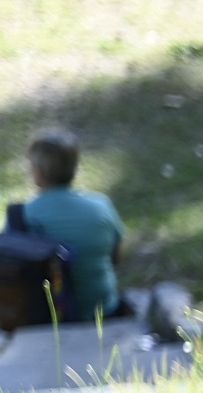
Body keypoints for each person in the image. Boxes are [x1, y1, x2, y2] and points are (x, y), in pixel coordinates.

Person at [18, 127, 126, 321]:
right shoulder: (101, 205)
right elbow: (115, 258)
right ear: (74, 168)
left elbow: (9, 265)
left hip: (49, 316)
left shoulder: (24, 214)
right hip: (103, 309)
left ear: (38, 173)